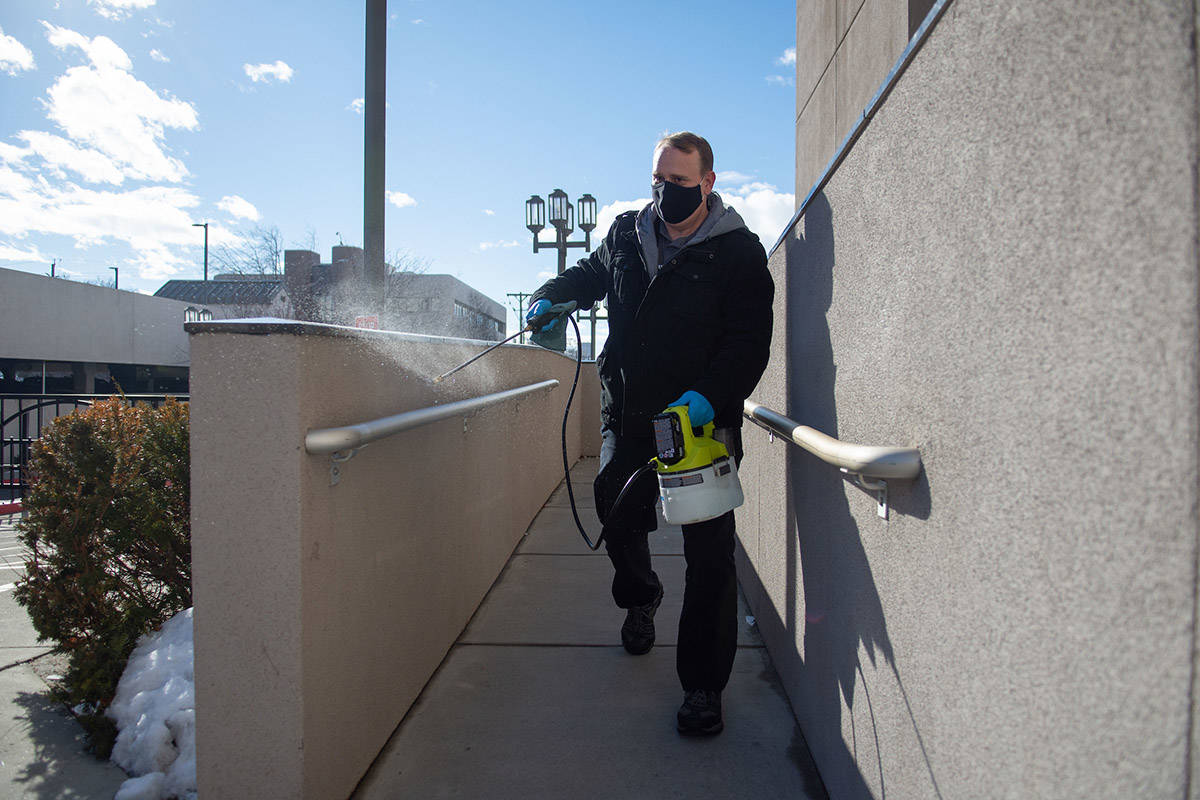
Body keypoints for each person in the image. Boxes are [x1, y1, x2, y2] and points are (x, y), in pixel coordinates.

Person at [526, 131, 774, 736]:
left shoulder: (739, 253)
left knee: (709, 557)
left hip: (697, 425)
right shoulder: (624, 235)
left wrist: (708, 399)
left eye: (681, 183)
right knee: (614, 505)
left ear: (708, 183)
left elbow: (749, 346)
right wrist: (548, 299)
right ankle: (641, 596)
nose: (667, 192)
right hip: (630, 414)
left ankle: (702, 689)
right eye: (658, 180)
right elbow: (587, 277)